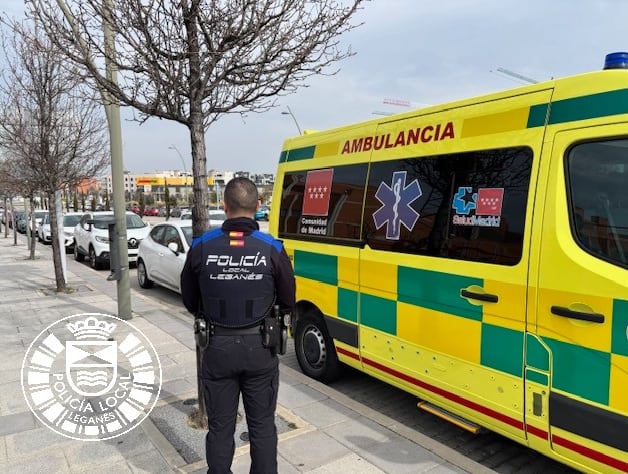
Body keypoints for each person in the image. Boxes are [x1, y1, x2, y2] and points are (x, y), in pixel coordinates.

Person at [181, 177, 296, 474]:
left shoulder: (202, 246)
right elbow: (288, 299)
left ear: (224, 205)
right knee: (262, 426)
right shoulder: (272, 248)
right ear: (258, 207)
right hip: (260, 350)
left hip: (217, 350)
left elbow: (190, 300)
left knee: (220, 428)